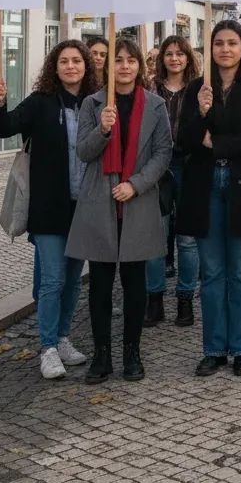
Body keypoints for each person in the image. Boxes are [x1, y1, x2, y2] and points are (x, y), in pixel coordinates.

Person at [0, 41, 97, 380]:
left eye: (76, 61)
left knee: (74, 280)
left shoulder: (96, 104)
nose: (70, 66)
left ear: (86, 66)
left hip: (84, 207)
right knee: (52, 279)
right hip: (49, 207)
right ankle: (48, 347)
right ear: (54, 66)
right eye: (63, 61)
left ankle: (63, 337)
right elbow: (3, 127)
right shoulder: (40, 103)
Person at [67, 38, 172, 384]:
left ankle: (132, 351)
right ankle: (101, 354)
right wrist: (103, 129)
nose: (125, 66)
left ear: (140, 66)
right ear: (107, 66)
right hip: (100, 200)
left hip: (136, 201)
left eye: (131, 60)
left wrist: (137, 184)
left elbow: (162, 153)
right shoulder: (92, 104)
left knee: (134, 282)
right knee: (99, 282)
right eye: (118, 60)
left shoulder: (155, 105)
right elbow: (83, 151)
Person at [176, 21, 241, 377]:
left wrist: (217, 143)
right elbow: (185, 141)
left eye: (232, 43)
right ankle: (214, 348)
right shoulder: (195, 89)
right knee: (213, 272)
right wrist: (201, 114)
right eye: (218, 43)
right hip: (205, 186)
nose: (225, 49)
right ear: (210, 48)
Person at [145, 35, 200, 328]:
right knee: (156, 235)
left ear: (188, 57)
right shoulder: (150, 89)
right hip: (158, 166)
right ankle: (154, 299)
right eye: (169, 53)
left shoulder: (200, 88)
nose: (175, 58)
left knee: (188, 240)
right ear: (162, 58)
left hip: (190, 165)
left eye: (180, 53)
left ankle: (185, 298)